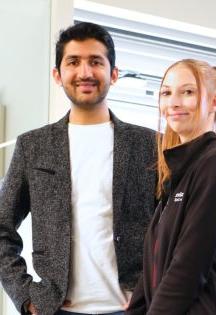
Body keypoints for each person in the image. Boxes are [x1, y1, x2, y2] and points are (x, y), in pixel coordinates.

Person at [0, 22, 157, 315]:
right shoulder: (33, 146)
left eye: (95, 61)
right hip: (57, 309)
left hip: (135, 308)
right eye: (74, 62)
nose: (85, 72)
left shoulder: (148, 144)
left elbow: (174, 231)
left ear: (113, 74)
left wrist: (156, 293)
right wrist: (26, 296)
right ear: (58, 75)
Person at [125, 59, 216, 314]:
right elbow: (152, 269)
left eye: (187, 92)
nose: (174, 102)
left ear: (215, 102)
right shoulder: (178, 171)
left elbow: (188, 267)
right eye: (166, 93)